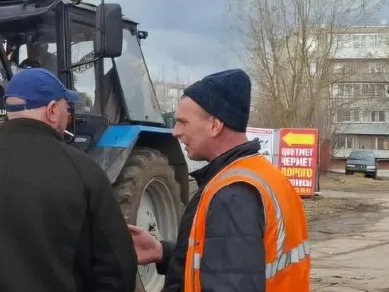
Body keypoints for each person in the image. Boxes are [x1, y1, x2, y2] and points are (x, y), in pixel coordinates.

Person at [0, 67, 137, 292]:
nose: (68, 114)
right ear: (52, 111)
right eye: (65, 107)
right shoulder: (84, 171)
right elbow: (117, 267)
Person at [128, 69, 310, 292]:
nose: (175, 132)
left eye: (183, 122)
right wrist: (162, 252)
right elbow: (230, 262)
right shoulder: (262, 175)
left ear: (215, 125)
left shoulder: (233, 194)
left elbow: (232, 281)